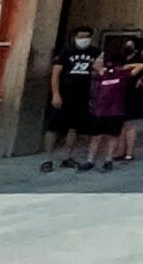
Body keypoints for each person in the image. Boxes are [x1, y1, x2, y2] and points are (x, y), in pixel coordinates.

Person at [84, 38, 143, 174]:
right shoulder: (115, 73)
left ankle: (114, 157)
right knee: (110, 133)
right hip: (111, 106)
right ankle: (110, 157)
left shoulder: (121, 72)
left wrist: (138, 74)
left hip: (115, 105)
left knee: (118, 130)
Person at [41, 25, 100, 173]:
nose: (84, 40)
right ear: (75, 37)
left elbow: (100, 69)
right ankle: (48, 159)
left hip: (82, 95)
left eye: (87, 37)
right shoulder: (65, 52)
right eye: (81, 37)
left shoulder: (95, 52)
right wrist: (56, 94)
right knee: (53, 127)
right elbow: (55, 74)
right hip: (64, 93)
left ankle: (68, 157)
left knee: (74, 128)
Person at [114, 31, 143, 164]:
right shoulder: (122, 58)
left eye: (130, 45)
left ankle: (129, 153)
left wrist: (142, 78)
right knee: (121, 123)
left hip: (134, 93)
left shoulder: (140, 59)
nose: (127, 47)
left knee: (130, 124)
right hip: (122, 91)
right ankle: (120, 151)